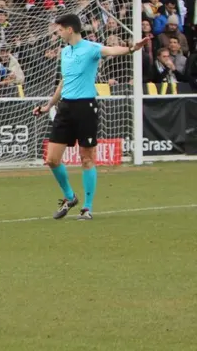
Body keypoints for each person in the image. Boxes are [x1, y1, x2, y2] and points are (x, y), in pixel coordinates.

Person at [34, 14, 148, 220]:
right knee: (51, 159)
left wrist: (132, 48)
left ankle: (87, 208)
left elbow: (112, 50)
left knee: (86, 158)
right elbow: (64, 81)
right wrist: (48, 105)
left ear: (70, 30)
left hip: (86, 107)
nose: (57, 32)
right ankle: (70, 197)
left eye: (60, 29)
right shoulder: (65, 52)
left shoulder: (91, 47)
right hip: (65, 108)